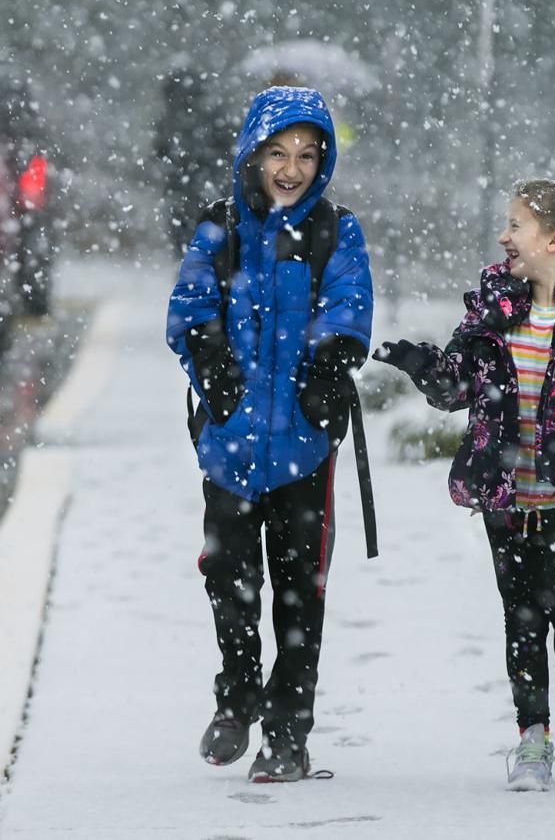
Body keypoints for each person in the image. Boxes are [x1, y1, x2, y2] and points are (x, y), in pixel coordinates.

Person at [372, 179, 555, 791]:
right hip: (507, 498)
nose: (503, 237)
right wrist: (418, 364)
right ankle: (531, 737)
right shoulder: (492, 312)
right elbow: (458, 390)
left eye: (515, 226)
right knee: (520, 616)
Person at [166, 86, 373, 783]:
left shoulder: (334, 231)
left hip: (304, 448)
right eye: (279, 153)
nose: (292, 168)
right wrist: (213, 362)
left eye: (307, 155)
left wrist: (329, 363)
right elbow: (189, 308)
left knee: (298, 593)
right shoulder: (218, 227)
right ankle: (237, 693)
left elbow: (351, 305)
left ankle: (288, 732)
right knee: (228, 579)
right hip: (228, 442)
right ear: (252, 154)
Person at [154, 67, 233, 258]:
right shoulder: (211, 113)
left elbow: (159, 150)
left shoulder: (174, 118)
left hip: (191, 189)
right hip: (200, 189)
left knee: (188, 243)